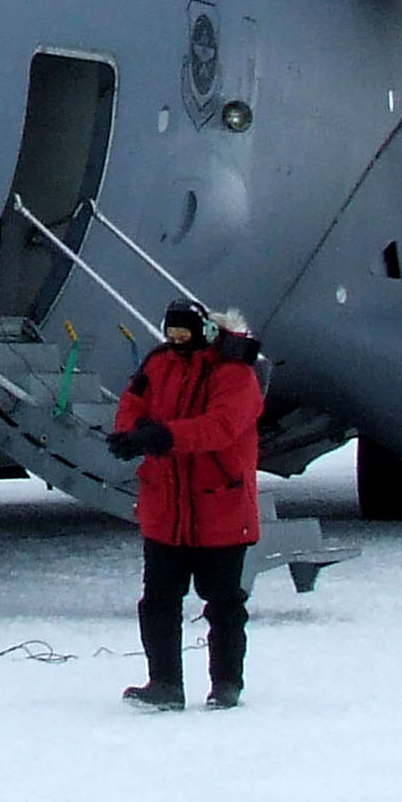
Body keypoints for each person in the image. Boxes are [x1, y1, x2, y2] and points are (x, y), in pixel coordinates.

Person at [107, 301, 267, 711]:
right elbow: (132, 404)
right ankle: (164, 683)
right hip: (165, 508)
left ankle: (226, 683)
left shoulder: (235, 373)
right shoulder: (158, 364)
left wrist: (162, 437)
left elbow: (222, 427)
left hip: (221, 508)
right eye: (171, 334)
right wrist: (133, 434)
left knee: (224, 602)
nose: (176, 341)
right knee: (158, 601)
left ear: (205, 332)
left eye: (184, 334)